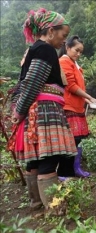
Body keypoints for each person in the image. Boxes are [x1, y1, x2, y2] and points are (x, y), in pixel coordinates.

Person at [9, 8, 75, 212]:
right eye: (63, 35)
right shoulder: (45, 49)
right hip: (45, 111)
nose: (64, 41)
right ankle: (56, 210)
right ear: (50, 30)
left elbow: (24, 84)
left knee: (35, 159)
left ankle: (36, 203)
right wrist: (18, 111)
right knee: (49, 159)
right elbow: (32, 83)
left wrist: (19, 111)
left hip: (34, 112)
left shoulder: (33, 49)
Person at [58, 35, 96, 178]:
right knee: (70, 140)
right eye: (76, 50)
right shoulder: (64, 61)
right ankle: (64, 172)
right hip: (69, 107)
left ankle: (75, 168)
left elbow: (78, 87)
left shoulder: (75, 64)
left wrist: (87, 100)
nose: (79, 54)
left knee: (78, 139)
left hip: (78, 107)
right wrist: (88, 97)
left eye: (81, 51)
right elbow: (70, 85)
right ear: (67, 48)